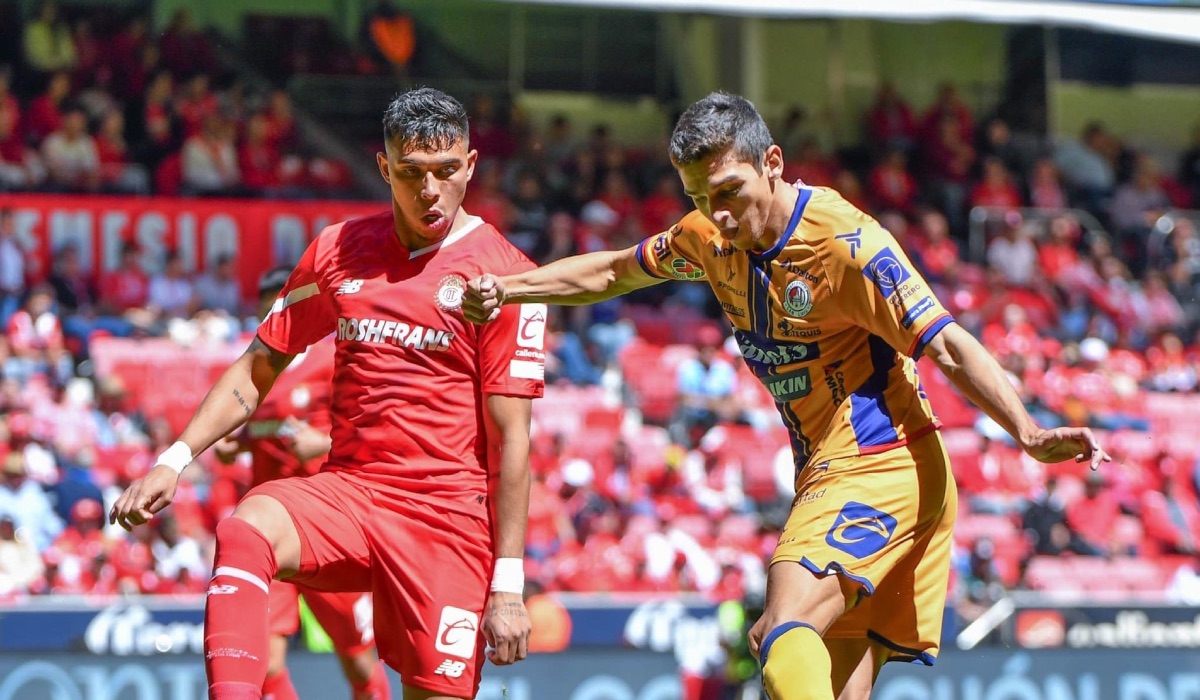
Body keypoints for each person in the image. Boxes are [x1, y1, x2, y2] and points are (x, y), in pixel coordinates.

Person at [463, 91, 1109, 700]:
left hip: (881, 464)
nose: (718, 214)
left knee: (782, 629)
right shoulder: (708, 239)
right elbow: (614, 270)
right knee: (821, 680)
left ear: (772, 162)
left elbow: (946, 344)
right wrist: (510, 289)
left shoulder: (846, 246)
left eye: (729, 191)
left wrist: (1027, 432)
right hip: (845, 472)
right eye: (699, 197)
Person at [110, 87, 544, 700]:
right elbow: (259, 364)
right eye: (412, 173)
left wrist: (508, 584)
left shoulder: (507, 276)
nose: (431, 190)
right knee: (247, 527)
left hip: (447, 520)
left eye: (446, 171)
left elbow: (512, 440)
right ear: (384, 168)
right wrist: (174, 459)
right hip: (351, 497)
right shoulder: (340, 251)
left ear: (470, 166)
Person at [208, 266, 390, 700]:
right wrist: (237, 445)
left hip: (325, 527)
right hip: (271, 530)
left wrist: (324, 442)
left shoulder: (333, 359)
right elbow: (264, 429)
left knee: (358, 659)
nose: (276, 315)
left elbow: (376, 425)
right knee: (266, 662)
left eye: (282, 304)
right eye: (267, 307)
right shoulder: (257, 365)